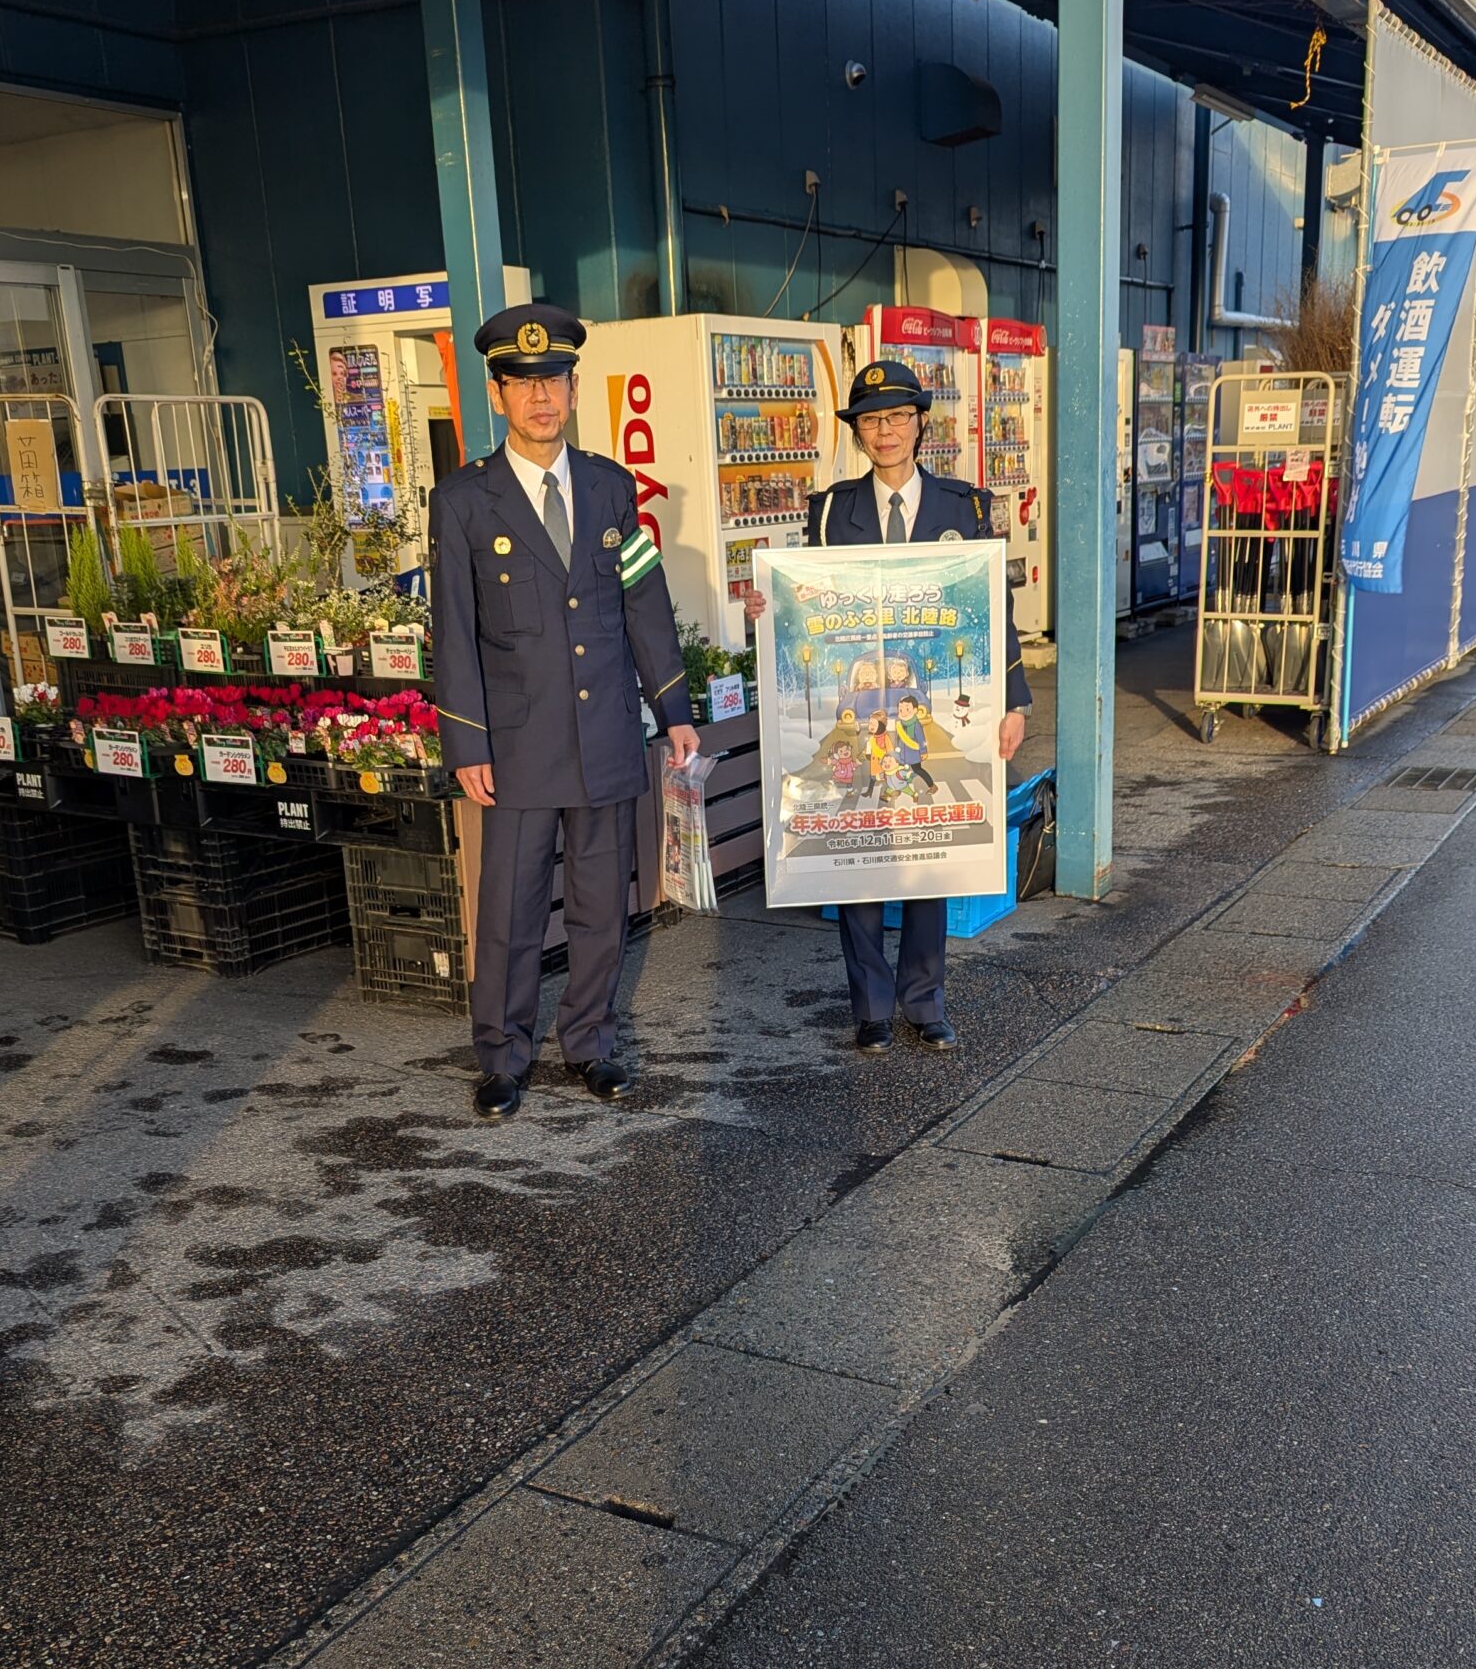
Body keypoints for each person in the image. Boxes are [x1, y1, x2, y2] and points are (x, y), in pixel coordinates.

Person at [429, 301, 698, 1120]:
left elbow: (643, 599)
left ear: (575, 388)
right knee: (509, 910)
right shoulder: (463, 500)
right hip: (516, 745)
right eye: (523, 383)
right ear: (497, 394)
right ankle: (502, 1056)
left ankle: (590, 1042)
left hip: (606, 733)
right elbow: (454, 631)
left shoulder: (612, 488)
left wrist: (674, 709)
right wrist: (466, 743)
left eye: (553, 381)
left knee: (599, 905)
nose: (541, 397)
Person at [749, 357, 1031, 1055]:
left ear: (920, 424)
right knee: (857, 862)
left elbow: (997, 611)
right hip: (859, 709)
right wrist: (765, 607)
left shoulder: (964, 509)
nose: (886, 431)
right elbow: (802, 602)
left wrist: (1016, 702)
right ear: (858, 432)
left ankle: (925, 1001)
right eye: (872, 420)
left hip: (922, 705)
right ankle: (871, 1008)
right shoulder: (830, 511)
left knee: (931, 859)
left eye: (898, 417)